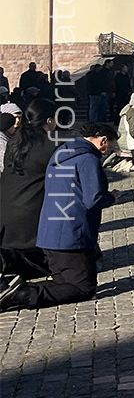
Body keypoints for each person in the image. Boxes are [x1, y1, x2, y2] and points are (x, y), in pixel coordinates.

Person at [0, 123, 121, 312]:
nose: (109, 151)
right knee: (83, 288)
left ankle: (13, 290)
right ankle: (21, 293)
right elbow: (93, 198)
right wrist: (111, 198)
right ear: (103, 140)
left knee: (65, 283)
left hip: (48, 234)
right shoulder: (88, 159)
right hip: (72, 236)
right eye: (111, 146)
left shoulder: (60, 154)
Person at [0, 99, 57, 282]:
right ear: (50, 120)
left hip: (7, 211)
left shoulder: (15, 141)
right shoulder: (49, 144)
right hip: (29, 218)